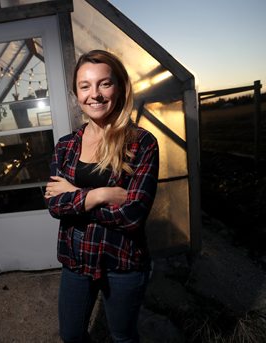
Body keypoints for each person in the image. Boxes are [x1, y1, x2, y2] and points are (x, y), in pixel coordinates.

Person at [45, 50, 159, 343]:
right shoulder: (66, 146)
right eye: (85, 86)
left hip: (122, 261)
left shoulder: (141, 143)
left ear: (119, 87)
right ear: (76, 93)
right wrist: (100, 195)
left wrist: (76, 196)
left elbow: (132, 216)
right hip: (76, 260)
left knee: (122, 336)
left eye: (104, 84)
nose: (94, 94)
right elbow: (55, 205)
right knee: (71, 335)